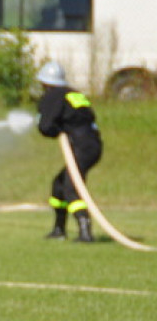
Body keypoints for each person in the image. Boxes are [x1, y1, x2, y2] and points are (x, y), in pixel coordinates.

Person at [36, 60, 101, 243]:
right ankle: (59, 229)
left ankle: (85, 231)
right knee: (59, 185)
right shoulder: (72, 93)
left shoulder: (53, 96)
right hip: (92, 143)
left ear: (45, 83)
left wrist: (50, 127)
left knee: (71, 187)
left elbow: (45, 126)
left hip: (81, 145)